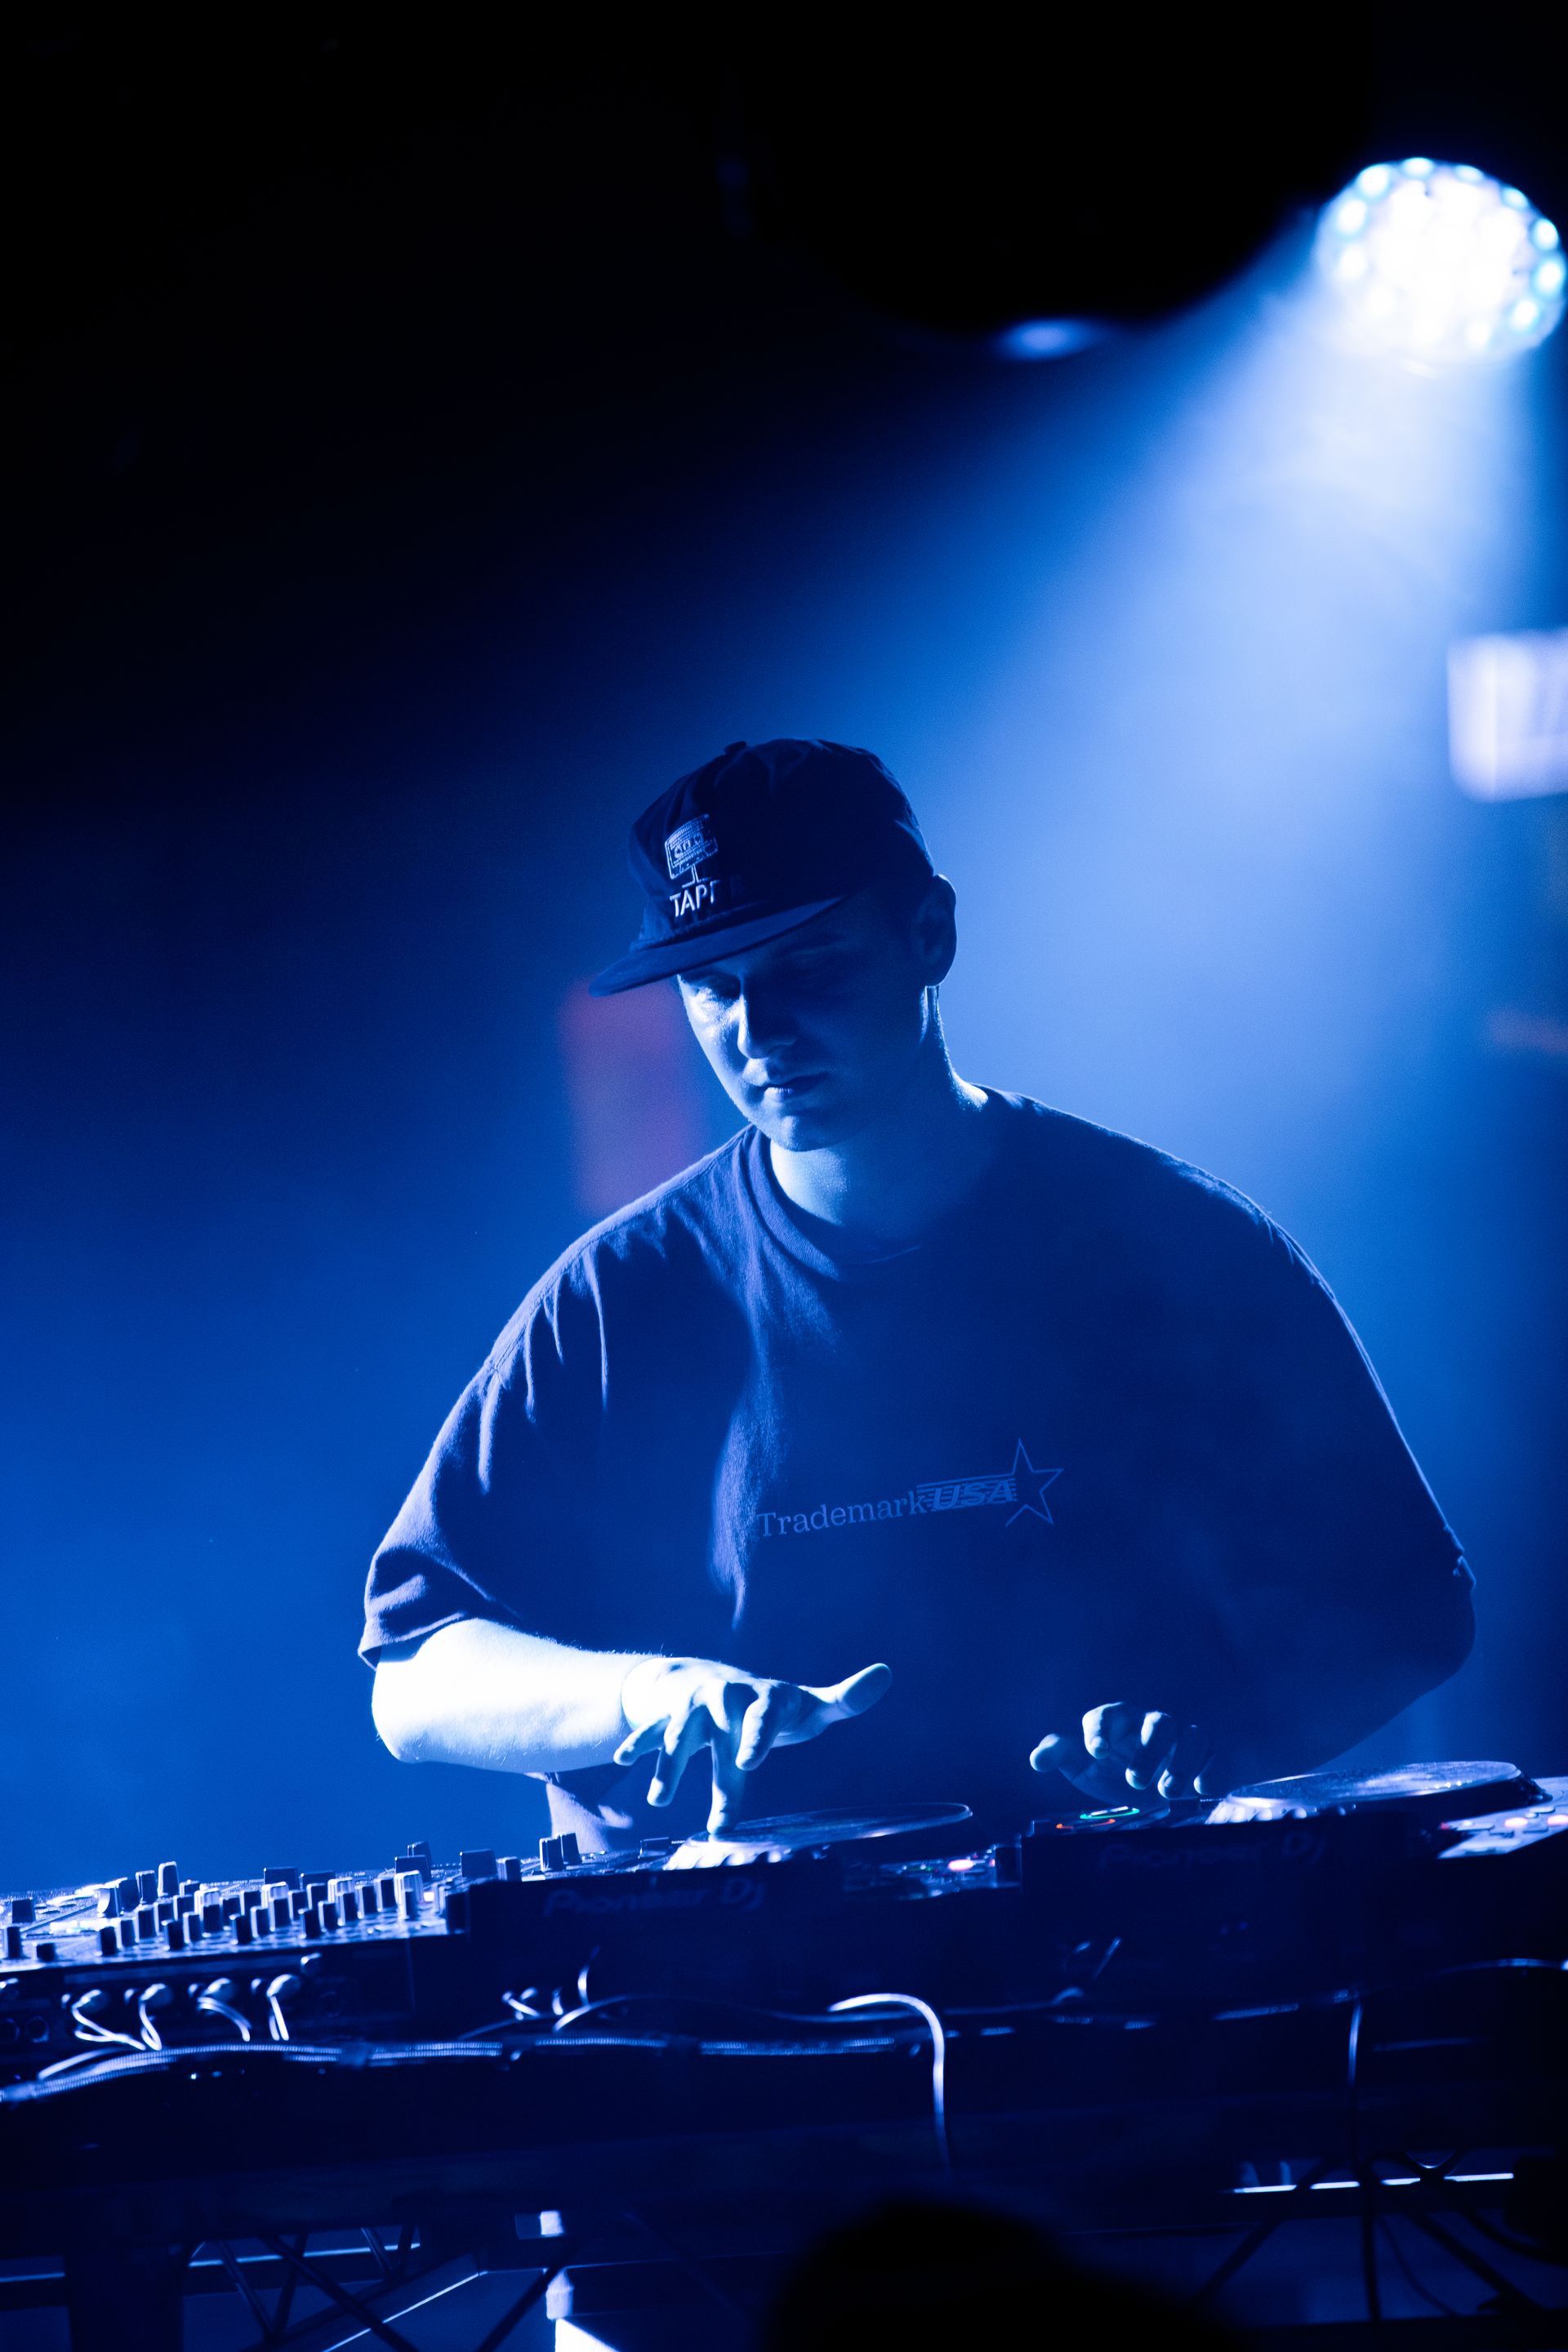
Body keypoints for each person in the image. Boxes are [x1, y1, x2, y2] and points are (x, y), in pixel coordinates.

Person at [362, 738, 1474, 1851]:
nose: (759, 1032)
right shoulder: (613, 1303)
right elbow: (412, 1682)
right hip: (719, 1989)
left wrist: (1218, 1741)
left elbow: (1414, 1609)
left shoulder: (1177, 1247)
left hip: (1118, 1957)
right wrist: (646, 1696)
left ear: (929, 934)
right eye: (714, 988)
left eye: (811, 968)